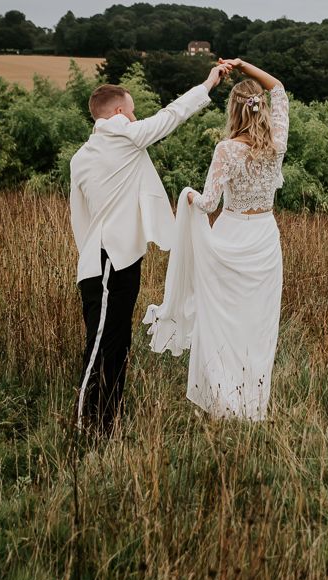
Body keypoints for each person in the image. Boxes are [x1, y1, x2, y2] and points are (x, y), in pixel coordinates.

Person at [69, 64, 229, 434]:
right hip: (108, 260)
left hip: (111, 259)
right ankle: (85, 424)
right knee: (100, 345)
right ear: (119, 114)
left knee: (118, 341)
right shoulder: (123, 138)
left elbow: (80, 216)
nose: (137, 116)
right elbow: (172, 114)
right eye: (133, 110)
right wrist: (207, 83)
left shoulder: (82, 156)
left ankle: (108, 421)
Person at [143, 58, 289, 420]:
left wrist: (188, 195)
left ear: (234, 112)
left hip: (231, 238)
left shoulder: (226, 150)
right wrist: (245, 66)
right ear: (261, 109)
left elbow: (209, 203)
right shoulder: (277, 143)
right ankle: (251, 403)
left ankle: (224, 400)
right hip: (265, 241)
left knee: (222, 322)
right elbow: (279, 89)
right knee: (257, 325)